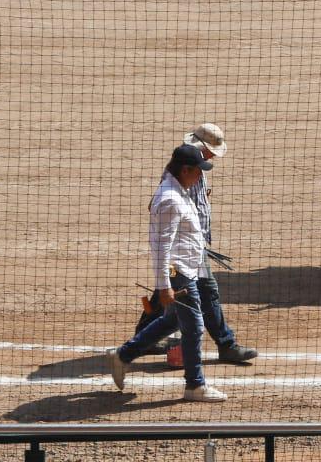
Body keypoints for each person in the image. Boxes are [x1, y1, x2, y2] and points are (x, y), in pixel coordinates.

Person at [108, 144, 228, 402]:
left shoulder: (178, 191)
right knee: (194, 327)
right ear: (185, 170)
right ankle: (195, 385)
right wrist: (164, 285)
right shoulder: (171, 200)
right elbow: (161, 247)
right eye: (198, 171)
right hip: (178, 271)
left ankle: (124, 355)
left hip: (187, 269)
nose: (200, 175)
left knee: (174, 321)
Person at [131, 123, 257, 366]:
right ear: (200, 147)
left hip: (192, 244)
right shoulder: (182, 170)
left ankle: (142, 338)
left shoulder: (195, 167)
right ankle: (226, 344)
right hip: (185, 248)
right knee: (206, 293)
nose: (212, 156)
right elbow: (157, 205)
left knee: (168, 292)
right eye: (210, 151)